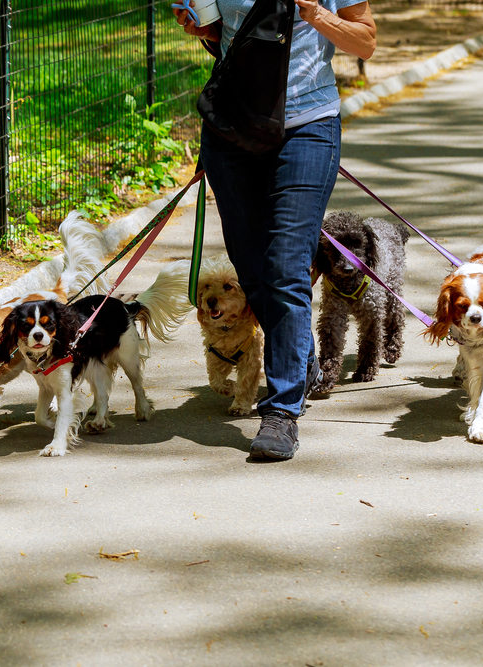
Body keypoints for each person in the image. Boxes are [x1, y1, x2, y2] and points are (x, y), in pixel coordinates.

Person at [173, 0, 376, 460]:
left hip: (307, 126)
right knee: (252, 270)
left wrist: (317, 15)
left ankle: (281, 410)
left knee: (285, 267)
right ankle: (300, 355)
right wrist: (202, 28)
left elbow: (365, 40)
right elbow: (230, 35)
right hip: (232, 127)